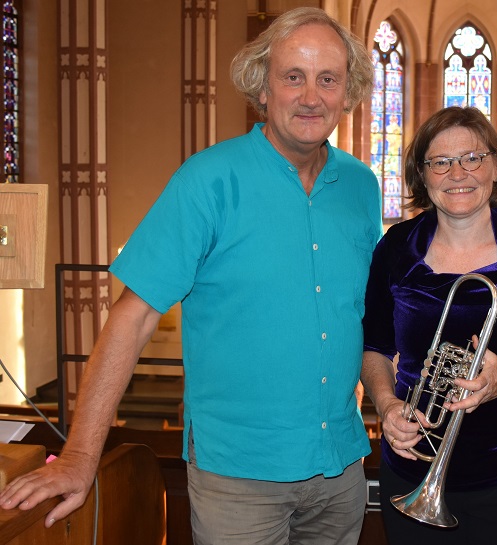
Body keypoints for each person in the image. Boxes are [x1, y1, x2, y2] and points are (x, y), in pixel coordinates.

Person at [0, 8, 381, 545]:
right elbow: (131, 319)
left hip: (339, 466)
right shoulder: (208, 179)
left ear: (349, 93)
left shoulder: (362, 188)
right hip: (238, 477)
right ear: (263, 88)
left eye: (328, 79)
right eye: (293, 76)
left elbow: (360, 315)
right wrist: (81, 456)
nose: (311, 96)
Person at [360, 106, 497, 544]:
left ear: (496, 165)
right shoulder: (396, 248)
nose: (458, 173)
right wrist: (386, 405)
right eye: (440, 162)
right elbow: (375, 349)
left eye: (472, 158)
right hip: (412, 467)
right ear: (422, 176)